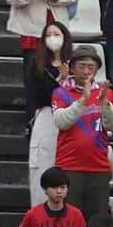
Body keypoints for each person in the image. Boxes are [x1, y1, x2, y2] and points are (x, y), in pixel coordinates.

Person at [4, 0, 80, 117]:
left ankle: (62, 112)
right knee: (33, 78)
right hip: (31, 31)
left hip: (56, 28)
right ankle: (33, 119)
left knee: (60, 72)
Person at [51, 47, 113, 224]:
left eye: (91, 67)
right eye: (81, 66)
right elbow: (61, 121)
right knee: (70, 220)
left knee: (97, 221)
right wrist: (83, 100)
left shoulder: (106, 92)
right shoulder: (61, 92)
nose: (86, 71)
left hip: (99, 167)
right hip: (69, 166)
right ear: (72, 68)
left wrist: (105, 104)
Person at [25, 20, 71, 200]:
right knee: (43, 165)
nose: (53, 38)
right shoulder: (37, 65)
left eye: (57, 34)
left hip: (71, 118)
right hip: (46, 118)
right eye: (49, 35)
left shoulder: (74, 62)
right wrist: (58, 79)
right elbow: (36, 97)